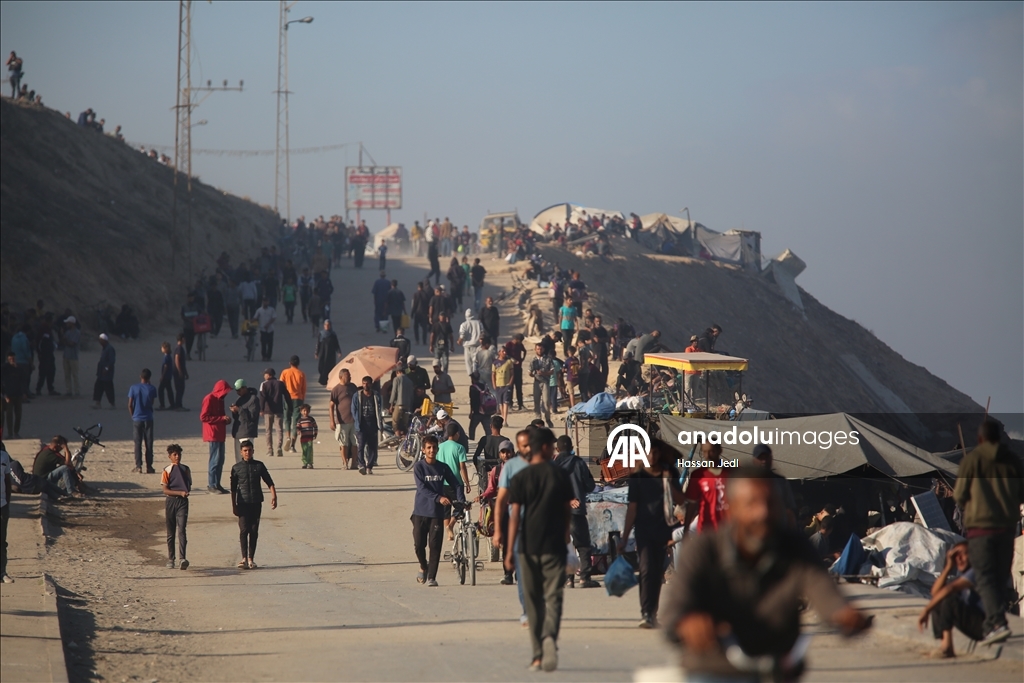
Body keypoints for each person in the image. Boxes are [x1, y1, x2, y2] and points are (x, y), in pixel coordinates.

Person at [662, 467, 872, 681]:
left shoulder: (795, 547)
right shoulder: (702, 549)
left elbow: (820, 586)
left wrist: (842, 612)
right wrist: (689, 622)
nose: (762, 512)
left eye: (770, 503)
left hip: (777, 667)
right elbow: (675, 610)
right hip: (714, 669)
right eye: (751, 503)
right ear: (731, 509)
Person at [505, 426, 574, 672]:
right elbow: (567, 510)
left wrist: (509, 551)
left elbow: (514, 517)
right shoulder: (560, 475)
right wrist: (566, 537)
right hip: (553, 546)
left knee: (533, 603)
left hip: (527, 546)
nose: (555, 450)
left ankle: (536, 655)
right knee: (554, 599)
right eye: (553, 446)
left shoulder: (520, 478)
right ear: (544, 447)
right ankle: (550, 640)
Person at [952, 418, 1024, 646]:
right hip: (1007, 528)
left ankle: (996, 623)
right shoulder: (1013, 461)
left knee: (984, 576)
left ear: (980, 439)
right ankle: (996, 619)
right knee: (1002, 575)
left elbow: (960, 496)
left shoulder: (972, 461)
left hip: (981, 529)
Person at [619, 439, 685, 628]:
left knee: (656, 572)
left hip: (664, 530)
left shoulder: (670, 472)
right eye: (649, 453)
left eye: (655, 453)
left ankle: (652, 612)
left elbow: (681, 500)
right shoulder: (638, 476)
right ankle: (646, 612)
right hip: (644, 530)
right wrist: (624, 538)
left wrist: (668, 483)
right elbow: (632, 507)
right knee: (646, 569)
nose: (652, 456)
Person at [412, 434, 465, 587]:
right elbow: (422, 488)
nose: (432, 450)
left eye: (434, 447)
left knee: (435, 546)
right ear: (423, 450)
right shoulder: (419, 467)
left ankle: (431, 577)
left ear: (437, 449)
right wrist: (438, 498)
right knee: (418, 545)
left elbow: (457, 483)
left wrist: (460, 500)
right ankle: (423, 565)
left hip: (436, 513)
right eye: (428, 448)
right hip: (421, 511)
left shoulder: (443, 467)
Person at [917, 542, 986, 657]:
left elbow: (950, 589)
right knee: (939, 598)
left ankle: (947, 647)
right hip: (972, 620)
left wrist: (926, 610)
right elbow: (935, 592)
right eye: (956, 556)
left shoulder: (976, 572)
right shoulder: (961, 576)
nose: (959, 559)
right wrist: (948, 566)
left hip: (985, 625)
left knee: (949, 598)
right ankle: (943, 643)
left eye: (964, 554)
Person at [554, 435, 599, 588]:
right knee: (583, 545)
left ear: (557, 449)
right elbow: (590, 486)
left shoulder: (553, 465)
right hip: (576, 511)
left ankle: (568, 579)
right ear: (572, 448)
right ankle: (584, 578)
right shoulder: (579, 463)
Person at [230, 440, 277, 570]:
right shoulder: (236, 468)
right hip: (243, 503)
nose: (247, 453)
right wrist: (234, 505)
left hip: (256, 502)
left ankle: (251, 559)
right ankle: (244, 558)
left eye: (250, 450)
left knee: (254, 531)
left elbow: (269, 482)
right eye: (245, 450)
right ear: (241, 452)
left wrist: (274, 496)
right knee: (244, 530)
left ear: (253, 451)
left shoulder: (259, 466)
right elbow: (233, 489)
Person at [683, 443, 728, 533]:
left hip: (728, 530)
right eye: (704, 452)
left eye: (711, 451)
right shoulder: (697, 475)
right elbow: (691, 504)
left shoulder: (732, 473)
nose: (708, 455)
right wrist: (686, 529)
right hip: (705, 530)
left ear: (720, 451)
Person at [437, 422, 471, 540]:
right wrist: (467, 483)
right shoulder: (459, 448)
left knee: (446, 509)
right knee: (460, 505)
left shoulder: (440, 447)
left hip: (442, 483)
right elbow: (462, 467)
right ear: (457, 434)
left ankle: (448, 534)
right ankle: (451, 526)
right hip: (456, 483)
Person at [161, 444, 192, 570]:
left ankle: (182, 558)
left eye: (179, 454)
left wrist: (184, 493)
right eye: (175, 455)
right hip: (171, 502)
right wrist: (179, 492)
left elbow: (188, 484)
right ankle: (171, 558)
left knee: (182, 529)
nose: (177, 457)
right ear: (170, 457)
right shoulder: (167, 470)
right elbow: (165, 490)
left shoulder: (185, 469)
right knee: (171, 532)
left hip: (183, 502)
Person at [200, 380, 232, 493]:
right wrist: (221, 419)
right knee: (215, 459)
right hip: (212, 433)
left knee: (220, 459)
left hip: (220, 433)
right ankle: (211, 484)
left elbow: (221, 415)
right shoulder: (209, 398)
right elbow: (203, 417)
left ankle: (217, 484)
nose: (226, 394)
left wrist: (226, 419)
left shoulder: (220, 400)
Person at [127, 369, 158, 474]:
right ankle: (149, 466)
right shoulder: (152, 388)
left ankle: (138, 466)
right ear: (149, 377)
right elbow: (151, 402)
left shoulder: (133, 388)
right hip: (148, 418)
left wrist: (133, 415)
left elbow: (130, 404)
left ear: (140, 376)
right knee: (149, 443)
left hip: (137, 418)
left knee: (137, 443)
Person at [352, 375, 383, 475]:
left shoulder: (376, 395)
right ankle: (361, 465)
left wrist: (380, 423)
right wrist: (357, 420)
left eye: (367, 383)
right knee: (360, 446)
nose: (365, 385)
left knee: (372, 447)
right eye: (364, 383)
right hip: (361, 425)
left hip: (373, 425)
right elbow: (354, 409)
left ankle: (369, 466)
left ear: (371, 384)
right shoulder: (357, 395)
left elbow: (379, 409)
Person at [329, 368, 359, 470]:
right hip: (342, 421)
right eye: (347, 376)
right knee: (343, 443)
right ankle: (345, 462)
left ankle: (354, 463)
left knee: (355, 443)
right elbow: (331, 406)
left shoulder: (353, 387)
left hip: (354, 420)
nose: (350, 377)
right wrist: (332, 421)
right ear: (341, 377)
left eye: (350, 375)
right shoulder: (336, 389)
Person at [259, 368, 290, 458]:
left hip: (268, 411)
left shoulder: (263, 384)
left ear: (269, 375)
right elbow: (287, 395)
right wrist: (290, 407)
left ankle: (270, 450)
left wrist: (261, 409)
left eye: (265, 374)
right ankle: (279, 447)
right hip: (279, 410)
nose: (264, 376)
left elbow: (262, 398)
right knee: (279, 430)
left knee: (268, 431)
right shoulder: (280, 383)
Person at [280, 356, 307, 454]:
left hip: (287, 398)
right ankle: (292, 445)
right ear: (298, 364)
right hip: (298, 398)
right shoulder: (301, 374)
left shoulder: (285, 372)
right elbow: (304, 388)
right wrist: (302, 399)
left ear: (290, 363)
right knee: (296, 421)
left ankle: (287, 437)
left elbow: (281, 385)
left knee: (287, 419)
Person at [229, 379, 260, 463]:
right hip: (238, 432)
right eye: (236, 391)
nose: (238, 392)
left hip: (247, 432)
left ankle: (249, 475)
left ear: (244, 388)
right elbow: (237, 417)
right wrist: (234, 411)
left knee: (247, 457)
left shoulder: (253, 399)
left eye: (239, 390)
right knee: (238, 459)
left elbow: (252, 416)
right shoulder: (239, 399)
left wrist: (239, 409)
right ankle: (239, 475)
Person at [528, 345, 554, 428]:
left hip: (545, 381)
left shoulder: (548, 359)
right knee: (536, 401)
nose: (539, 350)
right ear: (535, 350)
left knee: (546, 401)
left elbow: (552, 371)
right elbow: (530, 372)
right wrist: (532, 374)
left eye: (541, 349)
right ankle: (538, 419)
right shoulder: (533, 360)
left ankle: (548, 419)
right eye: (538, 349)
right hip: (537, 382)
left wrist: (543, 373)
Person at [1, 353, 26, 439]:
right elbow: (1, 383)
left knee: (18, 414)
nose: (12, 360)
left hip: (18, 394)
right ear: (7, 359)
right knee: (9, 415)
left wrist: (24, 393)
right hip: (9, 395)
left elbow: (23, 380)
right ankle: (10, 433)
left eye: (13, 358)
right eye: (10, 359)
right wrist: (4, 394)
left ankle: (16, 432)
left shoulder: (19, 368)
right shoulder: (4, 368)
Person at [92, 333, 116, 409]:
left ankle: (112, 404)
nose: (99, 342)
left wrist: (106, 369)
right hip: (101, 373)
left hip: (107, 373)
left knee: (108, 388)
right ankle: (97, 403)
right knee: (98, 387)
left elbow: (111, 361)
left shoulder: (109, 349)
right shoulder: (105, 348)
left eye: (100, 340)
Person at [504, 334, 527, 411]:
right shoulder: (509, 344)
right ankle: (510, 404)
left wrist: (522, 359)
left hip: (518, 368)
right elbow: (506, 354)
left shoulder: (520, 345)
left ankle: (520, 404)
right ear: (516, 339)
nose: (521, 342)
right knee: (510, 387)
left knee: (519, 387)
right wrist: (512, 360)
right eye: (520, 341)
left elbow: (524, 351)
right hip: (511, 369)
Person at [457, 308, 483, 378]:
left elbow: (462, 335)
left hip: (467, 346)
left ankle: (471, 376)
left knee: (468, 363)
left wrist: (459, 340)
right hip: (477, 345)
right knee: (476, 361)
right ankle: (476, 375)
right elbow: (482, 334)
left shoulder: (464, 324)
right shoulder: (479, 323)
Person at [390, 367, 415, 438]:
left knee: (395, 423)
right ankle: (405, 441)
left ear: (397, 372)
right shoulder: (410, 381)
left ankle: (398, 439)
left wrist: (391, 405)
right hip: (407, 405)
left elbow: (394, 392)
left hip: (399, 404)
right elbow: (411, 396)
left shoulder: (396, 379)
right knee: (405, 424)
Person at [467, 372, 493, 441]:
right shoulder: (484, 386)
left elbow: (472, 400)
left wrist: (471, 412)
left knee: (472, 428)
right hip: (486, 411)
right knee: (488, 430)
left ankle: (472, 441)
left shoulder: (472, 387)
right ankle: (490, 442)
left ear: (473, 379)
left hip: (477, 412)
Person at [491, 346, 515, 423]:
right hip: (498, 385)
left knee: (506, 402)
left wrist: (510, 383)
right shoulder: (495, 363)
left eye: (505, 351)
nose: (504, 353)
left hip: (506, 385)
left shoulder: (509, 362)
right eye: (503, 351)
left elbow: (512, 373)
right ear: (499, 352)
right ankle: (502, 416)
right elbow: (493, 375)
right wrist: (494, 384)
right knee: (500, 402)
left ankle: (505, 419)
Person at [315, 320, 341, 386]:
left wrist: (338, 352)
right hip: (323, 353)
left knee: (330, 367)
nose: (327, 326)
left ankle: (329, 380)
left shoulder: (333, 334)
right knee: (321, 366)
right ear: (324, 326)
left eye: (328, 325)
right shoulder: (321, 334)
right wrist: (316, 353)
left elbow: (336, 344)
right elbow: (318, 344)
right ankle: (323, 380)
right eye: (326, 325)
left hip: (331, 354)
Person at [61, 316, 81, 397]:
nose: (66, 324)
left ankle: (77, 391)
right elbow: (63, 341)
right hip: (66, 355)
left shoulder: (77, 332)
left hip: (73, 356)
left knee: (75, 374)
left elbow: (72, 343)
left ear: (72, 323)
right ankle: (68, 390)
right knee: (67, 375)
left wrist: (65, 340)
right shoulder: (68, 332)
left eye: (68, 323)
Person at [1, 443, 12, 582]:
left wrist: (8, 503)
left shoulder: (4, 456)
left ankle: (2, 572)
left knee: (2, 540)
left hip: (2, 505)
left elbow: (7, 481)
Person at [295, 404, 318, 469]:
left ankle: (310, 463)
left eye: (307, 411)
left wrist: (315, 434)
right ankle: (305, 462)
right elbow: (297, 427)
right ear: (301, 411)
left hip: (310, 437)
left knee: (310, 449)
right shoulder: (300, 420)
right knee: (304, 450)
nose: (305, 412)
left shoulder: (311, 419)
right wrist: (298, 431)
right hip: (303, 438)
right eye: (304, 411)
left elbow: (315, 427)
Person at [411, 281, 432, 345]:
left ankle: (417, 340)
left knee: (416, 327)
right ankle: (424, 341)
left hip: (417, 313)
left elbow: (414, 304)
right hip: (424, 313)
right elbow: (429, 305)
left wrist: (412, 313)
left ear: (418, 287)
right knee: (424, 328)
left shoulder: (415, 294)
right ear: (423, 287)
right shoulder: (426, 294)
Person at [172, 333, 189, 410]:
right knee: (180, 388)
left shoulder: (180, 348)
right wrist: (180, 371)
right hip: (177, 372)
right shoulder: (179, 348)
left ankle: (179, 404)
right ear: (182, 339)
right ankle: (178, 405)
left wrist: (185, 372)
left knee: (181, 388)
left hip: (180, 371)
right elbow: (177, 359)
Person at [157, 342, 174, 410]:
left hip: (166, 377)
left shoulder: (166, 357)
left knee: (160, 390)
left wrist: (162, 376)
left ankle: (162, 405)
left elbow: (165, 367)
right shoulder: (168, 356)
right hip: (168, 376)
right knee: (169, 390)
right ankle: (172, 404)